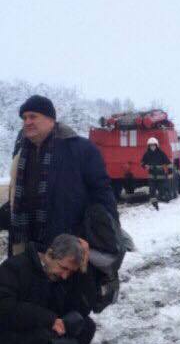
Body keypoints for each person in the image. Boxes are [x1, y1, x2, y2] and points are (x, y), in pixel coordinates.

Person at [5, 95, 118, 257]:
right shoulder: (21, 153)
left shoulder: (81, 149)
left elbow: (103, 196)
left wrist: (106, 240)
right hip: (27, 249)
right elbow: (19, 197)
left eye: (33, 117)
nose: (27, 122)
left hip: (68, 248)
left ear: (51, 119)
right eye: (24, 118)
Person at [0, 234, 96, 344]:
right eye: (64, 268)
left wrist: (83, 273)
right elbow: (5, 307)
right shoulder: (15, 267)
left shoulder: (61, 275)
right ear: (50, 254)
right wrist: (47, 319)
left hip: (43, 327)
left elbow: (82, 308)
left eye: (71, 272)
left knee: (85, 326)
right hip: (10, 334)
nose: (65, 276)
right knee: (42, 337)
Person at [141, 137, 171, 210]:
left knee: (162, 191)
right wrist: (145, 166)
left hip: (161, 176)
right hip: (152, 177)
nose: (152, 147)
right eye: (151, 146)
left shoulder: (161, 154)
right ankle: (154, 204)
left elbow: (168, 163)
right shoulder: (147, 154)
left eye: (153, 145)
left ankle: (164, 197)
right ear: (149, 146)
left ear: (156, 145)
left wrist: (170, 172)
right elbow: (142, 163)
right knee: (152, 191)